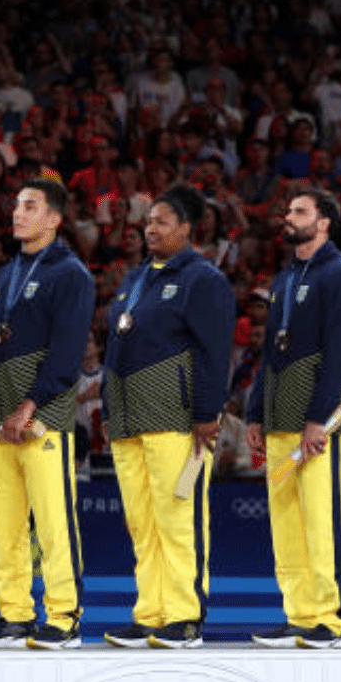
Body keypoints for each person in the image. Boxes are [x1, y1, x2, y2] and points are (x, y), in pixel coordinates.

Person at [0, 178, 95, 650]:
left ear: (54, 219)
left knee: (54, 523)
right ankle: (13, 615)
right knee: (5, 524)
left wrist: (30, 404)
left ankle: (63, 617)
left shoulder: (70, 273)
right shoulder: (4, 275)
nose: (18, 213)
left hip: (43, 421)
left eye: (30, 206)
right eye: (16, 205)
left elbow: (67, 351)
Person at [100, 183, 235, 649]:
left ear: (186, 228)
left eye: (160, 221)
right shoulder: (136, 278)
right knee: (143, 522)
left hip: (177, 419)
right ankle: (151, 612)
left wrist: (206, 412)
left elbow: (217, 352)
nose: (149, 227)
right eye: (148, 220)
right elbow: (117, 342)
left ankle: (184, 616)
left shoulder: (204, 278)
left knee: (179, 519)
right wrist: (108, 407)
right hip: (129, 419)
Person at [247, 189, 341, 649]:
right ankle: (299, 614)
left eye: (300, 211)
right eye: (288, 209)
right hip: (280, 415)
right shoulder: (284, 277)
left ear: (325, 222)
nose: (288, 217)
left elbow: (340, 353)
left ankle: (332, 620)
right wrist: (256, 410)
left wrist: (320, 418)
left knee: (324, 518)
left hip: (321, 424)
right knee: (287, 520)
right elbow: (268, 350)